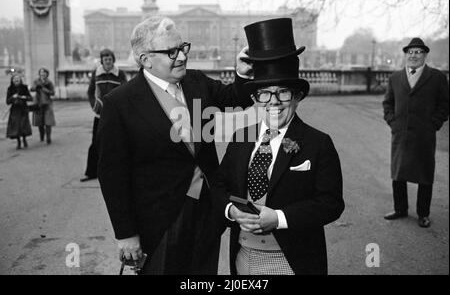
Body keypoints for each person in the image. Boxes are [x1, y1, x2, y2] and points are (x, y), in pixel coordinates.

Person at [96, 16, 254, 274]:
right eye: (172, 52)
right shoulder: (119, 104)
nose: (181, 56)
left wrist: (241, 74)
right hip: (159, 223)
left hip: (206, 212)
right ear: (146, 59)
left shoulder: (197, 81)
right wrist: (126, 234)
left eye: (183, 48)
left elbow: (234, 97)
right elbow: (112, 175)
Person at [210, 18, 345, 275]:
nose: (274, 102)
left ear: (296, 97)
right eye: (265, 93)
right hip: (242, 257)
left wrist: (280, 218)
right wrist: (231, 211)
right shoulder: (241, 138)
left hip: (289, 261)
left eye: (282, 92)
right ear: (255, 99)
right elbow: (219, 185)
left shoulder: (318, 143)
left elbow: (331, 203)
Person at [382, 37, 449, 228]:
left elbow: (445, 105)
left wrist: (434, 124)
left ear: (425, 55)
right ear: (406, 55)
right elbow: (388, 103)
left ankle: (423, 214)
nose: (413, 55)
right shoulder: (395, 78)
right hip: (400, 134)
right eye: (410, 52)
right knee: (398, 172)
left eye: (418, 52)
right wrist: (392, 122)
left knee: (425, 174)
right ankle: (400, 209)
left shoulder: (436, 77)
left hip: (425, 135)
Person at [80, 49, 127, 182]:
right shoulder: (96, 73)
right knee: (96, 143)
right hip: (100, 116)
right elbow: (90, 92)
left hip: (114, 116)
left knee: (116, 144)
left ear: (113, 60)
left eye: (110, 59)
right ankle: (91, 172)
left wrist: (119, 109)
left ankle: (117, 172)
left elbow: (125, 92)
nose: (108, 61)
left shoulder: (120, 74)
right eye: (105, 59)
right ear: (102, 61)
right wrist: (94, 105)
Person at [6, 73, 33, 149]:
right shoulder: (10, 89)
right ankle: (18, 142)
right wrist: (12, 97)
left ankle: (24, 139)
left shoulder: (24, 87)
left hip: (23, 109)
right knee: (16, 126)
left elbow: (30, 98)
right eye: (14, 79)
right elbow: (7, 102)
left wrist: (24, 97)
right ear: (12, 80)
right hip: (15, 110)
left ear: (20, 80)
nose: (16, 80)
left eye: (17, 79)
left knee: (23, 125)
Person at [30, 68, 56, 144]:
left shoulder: (49, 82)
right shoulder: (36, 81)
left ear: (47, 74)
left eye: (44, 73)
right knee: (39, 122)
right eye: (41, 73)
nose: (43, 74)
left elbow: (52, 93)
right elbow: (32, 89)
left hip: (47, 103)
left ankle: (48, 138)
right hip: (38, 103)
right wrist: (36, 87)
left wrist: (44, 89)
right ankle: (42, 135)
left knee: (48, 122)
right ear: (39, 74)